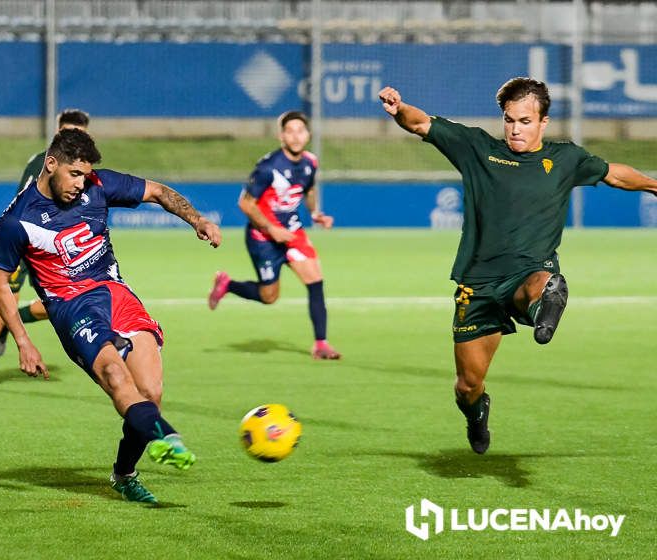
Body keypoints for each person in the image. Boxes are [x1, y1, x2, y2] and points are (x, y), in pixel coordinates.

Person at [379, 78, 657, 454]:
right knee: (467, 384)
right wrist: (400, 109)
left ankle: (545, 302)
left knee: (544, 281)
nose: (515, 128)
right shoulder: (477, 148)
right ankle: (476, 414)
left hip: (528, 272)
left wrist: (654, 185)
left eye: (525, 121)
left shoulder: (564, 159)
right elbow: (420, 123)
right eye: (510, 120)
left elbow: (614, 173)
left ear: (543, 122)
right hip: (477, 284)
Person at [0, 128, 221, 503]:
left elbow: (158, 191)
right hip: (71, 308)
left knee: (151, 392)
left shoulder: (99, 185)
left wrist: (198, 220)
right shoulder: (17, 221)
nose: (81, 184)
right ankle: (169, 437)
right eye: (74, 174)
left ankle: (124, 474)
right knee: (115, 374)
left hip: (115, 294)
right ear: (51, 165)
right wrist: (23, 340)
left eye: (85, 175)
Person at [0, 109, 90, 389]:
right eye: (66, 132)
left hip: (52, 247)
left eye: (78, 134)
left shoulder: (81, 168)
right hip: (26, 244)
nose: (71, 138)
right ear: (57, 133)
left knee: (59, 304)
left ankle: (10, 323)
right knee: (1, 309)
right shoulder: (46, 162)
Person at [207, 110, 341, 360]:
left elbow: (308, 189)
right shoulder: (268, 167)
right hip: (263, 239)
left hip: (292, 233)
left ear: (308, 135)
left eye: (300, 130)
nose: (296, 136)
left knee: (315, 280)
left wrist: (315, 213)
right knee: (269, 296)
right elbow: (246, 204)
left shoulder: (311, 162)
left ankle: (321, 344)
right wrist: (271, 229)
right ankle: (228, 284)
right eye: (289, 131)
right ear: (281, 136)